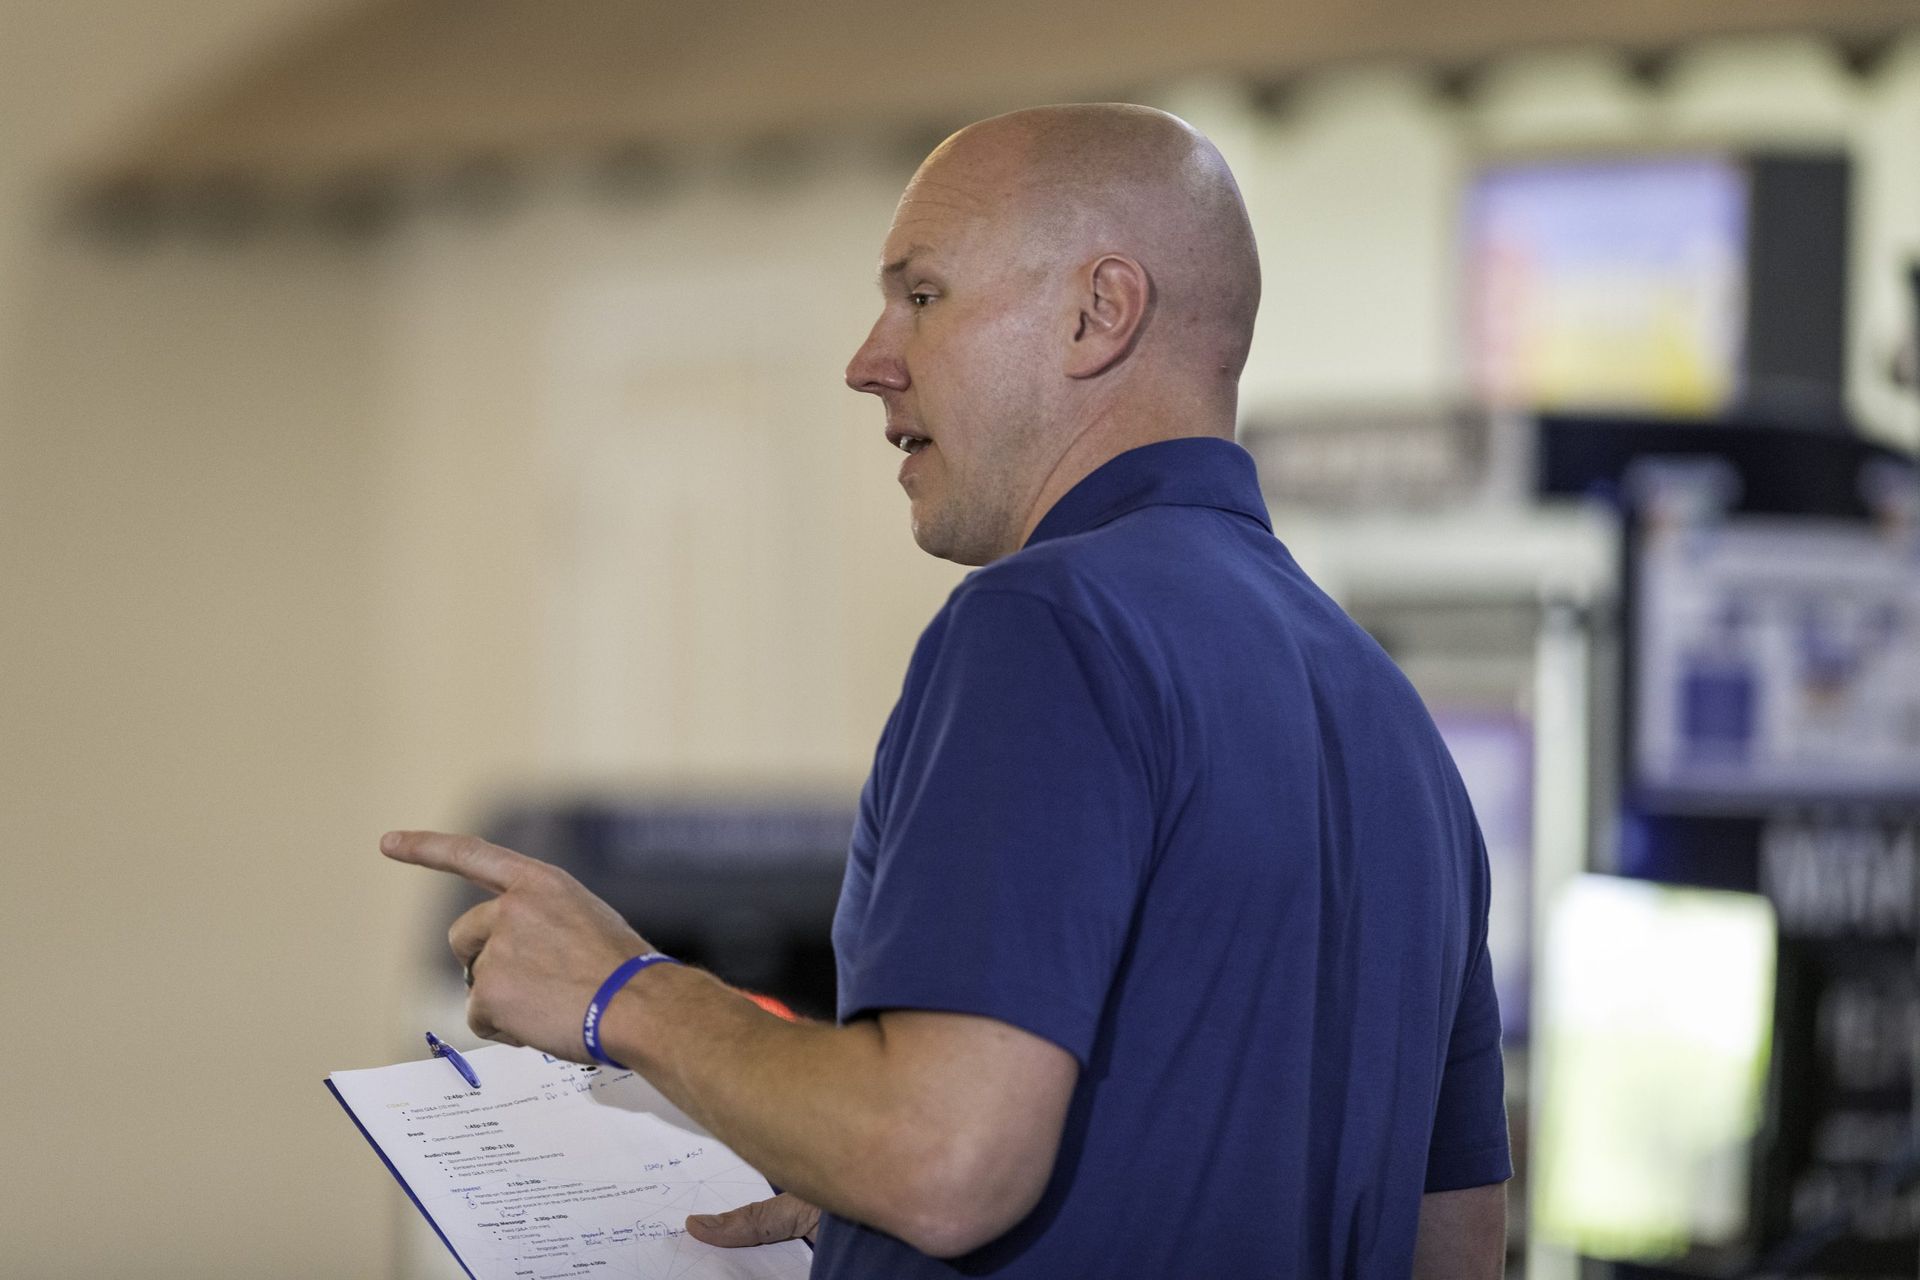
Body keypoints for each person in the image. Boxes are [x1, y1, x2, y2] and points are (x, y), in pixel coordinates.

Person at [382, 102, 1510, 1277]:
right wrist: (858, 1195)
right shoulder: (1394, 722)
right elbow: (1458, 1246)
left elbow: (945, 1154)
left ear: (1098, 313)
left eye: (922, 296)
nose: (870, 362)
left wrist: (624, 990)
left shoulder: (1047, 625)